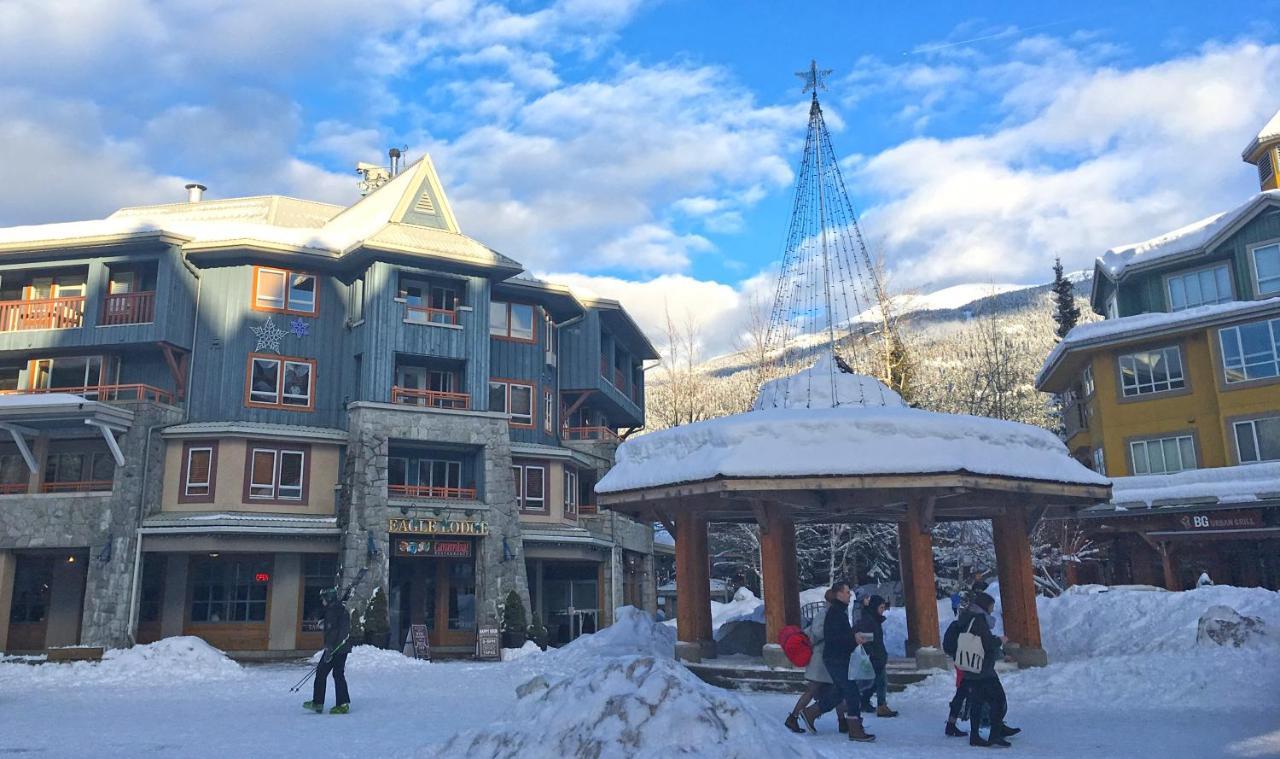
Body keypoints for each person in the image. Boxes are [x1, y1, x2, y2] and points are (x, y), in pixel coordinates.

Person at [810, 581, 875, 742]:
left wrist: (853, 637)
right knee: (851, 691)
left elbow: (840, 635)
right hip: (835, 658)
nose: (849, 594)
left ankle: (810, 713)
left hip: (838, 657)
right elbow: (834, 637)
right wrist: (854, 639)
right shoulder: (835, 613)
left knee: (840, 692)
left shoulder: (839, 611)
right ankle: (854, 728)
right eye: (847, 592)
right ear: (838, 594)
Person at [957, 592, 1020, 747]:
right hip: (983, 668)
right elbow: (985, 642)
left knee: (977, 701)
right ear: (984, 605)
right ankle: (995, 734)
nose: (992, 609)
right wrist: (999, 640)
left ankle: (975, 736)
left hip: (971, 667)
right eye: (991, 606)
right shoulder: (979, 620)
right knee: (998, 699)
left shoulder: (967, 617)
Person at [788, 589, 848, 735]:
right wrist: (833, 633)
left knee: (838, 689)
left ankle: (842, 721)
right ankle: (794, 717)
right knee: (814, 690)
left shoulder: (834, 613)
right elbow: (817, 632)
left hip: (828, 658)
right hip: (820, 660)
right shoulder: (824, 614)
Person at [304, 587, 352, 715]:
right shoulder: (331, 610)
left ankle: (342, 704)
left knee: (337, 674)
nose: (322, 601)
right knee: (322, 672)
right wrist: (323, 624)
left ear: (328, 598)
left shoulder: (338, 611)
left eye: (323, 598)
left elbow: (341, 631)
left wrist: (331, 647)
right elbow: (331, 628)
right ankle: (318, 702)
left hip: (339, 648)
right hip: (332, 647)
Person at [854, 595, 898, 718]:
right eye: (881, 607)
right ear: (875, 607)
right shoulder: (869, 620)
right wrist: (872, 653)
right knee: (880, 682)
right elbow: (864, 638)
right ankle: (881, 706)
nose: (883, 610)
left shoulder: (872, 619)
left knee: (873, 682)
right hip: (873, 657)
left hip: (875, 655)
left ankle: (864, 701)